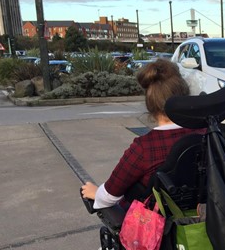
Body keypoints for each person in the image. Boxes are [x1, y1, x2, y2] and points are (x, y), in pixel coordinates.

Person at [80, 59, 201, 209]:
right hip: (204, 216)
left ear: (150, 105)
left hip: (156, 224)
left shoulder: (144, 147)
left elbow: (109, 196)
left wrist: (96, 192)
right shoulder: (205, 134)